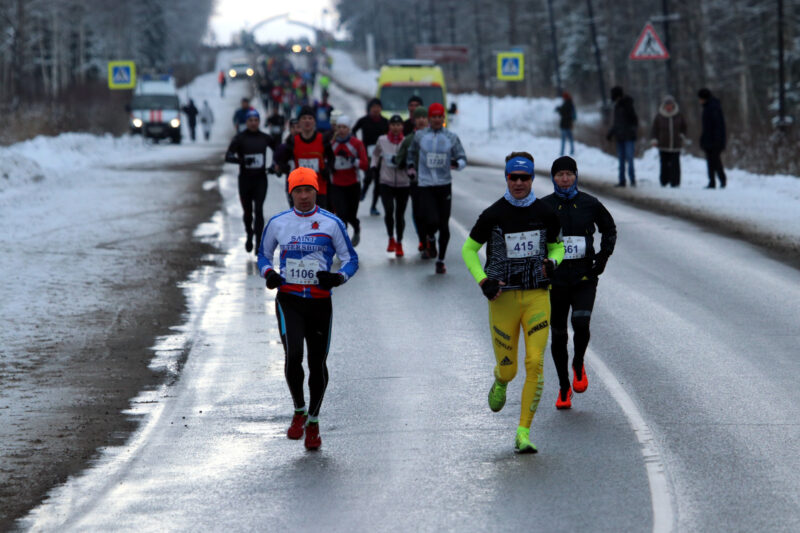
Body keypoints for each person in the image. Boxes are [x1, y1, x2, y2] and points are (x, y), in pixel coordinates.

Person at [461, 152, 565, 453]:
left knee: (535, 362)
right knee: (510, 370)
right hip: (502, 299)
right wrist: (483, 280)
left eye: (525, 178)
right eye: (513, 177)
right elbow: (468, 250)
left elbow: (557, 246)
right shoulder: (493, 214)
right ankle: (500, 379)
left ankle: (523, 432)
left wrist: (553, 262)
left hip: (536, 296)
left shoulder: (546, 212)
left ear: (532, 179)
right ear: (506, 178)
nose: (519, 183)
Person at [258, 167, 359, 451]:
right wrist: (269, 274)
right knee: (293, 357)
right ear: (290, 193)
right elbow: (263, 255)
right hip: (289, 300)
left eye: (309, 190)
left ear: (317, 191)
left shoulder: (331, 223)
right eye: (298, 191)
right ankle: (299, 410)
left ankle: (313, 421)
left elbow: (351, 259)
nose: (304, 196)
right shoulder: (278, 223)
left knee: (317, 363)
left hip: (319, 303)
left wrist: (339, 277)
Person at [541, 156, 616, 409]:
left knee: (581, 323)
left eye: (569, 174)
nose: (564, 179)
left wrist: (603, 257)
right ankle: (563, 387)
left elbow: (610, 228)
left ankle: (578, 363)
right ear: (553, 178)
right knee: (559, 334)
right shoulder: (545, 206)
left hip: (584, 276)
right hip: (556, 279)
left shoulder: (590, 203)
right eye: (559, 174)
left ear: (576, 176)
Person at [406, 102, 467, 274]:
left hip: (444, 184)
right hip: (425, 184)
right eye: (434, 116)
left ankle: (441, 260)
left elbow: (462, 157)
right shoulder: (419, 136)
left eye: (440, 116)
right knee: (430, 220)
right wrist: (411, 168)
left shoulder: (451, 137)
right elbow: (411, 153)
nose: (437, 120)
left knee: (444, 225)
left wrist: (457, 163)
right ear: (429, 118)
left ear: (443, 118)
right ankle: (430, 238)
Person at [225, 109, 277, 254]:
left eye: (256, 120)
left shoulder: (265, 138)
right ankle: (249, 233)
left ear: (259, 122)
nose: (253, 123)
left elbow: (278, 151)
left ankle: (259, 242)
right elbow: (228, 156)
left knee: (259, 210)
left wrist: (273, 165)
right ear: (246, 122)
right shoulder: (239, 138)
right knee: (248, 212)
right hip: (245, 181)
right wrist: (240, 160)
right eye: (250, 120)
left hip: (260, 179)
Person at [275, 106, 335, 210]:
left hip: (319, 187)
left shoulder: (323, 139)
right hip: (301, 189)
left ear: (314, 122)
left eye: (310, 118)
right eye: (304, 118)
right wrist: (285, 168)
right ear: (299, 122)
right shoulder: (293, 141)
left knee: (319, 221)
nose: (307, 121)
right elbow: (282, 161)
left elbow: (332, 158)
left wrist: (327, 170)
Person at [373, 115, 412, 257]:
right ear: (389, 126)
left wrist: (410, 169)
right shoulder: (382, 140)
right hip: (386, 182)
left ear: (402, 126)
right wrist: (373, 165)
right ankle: (391, 238)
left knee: (400, 214)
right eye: (393, 125)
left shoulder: (407, 141)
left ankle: (399, 242)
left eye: (398, 125)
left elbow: (412, 157)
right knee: (389, 210)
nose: (396, 127)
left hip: (403, 183)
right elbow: (376, 154)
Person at [329, 115, 368, 245]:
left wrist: (352, 160)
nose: (341, 130)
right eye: (339, 127)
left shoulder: (356, 144)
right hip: (337, 185)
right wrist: (330, 166)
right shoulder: (332, 144)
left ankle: (356, 228)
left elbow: (365, 164)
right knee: (341, 215)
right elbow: (326, 161)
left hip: (353, 184)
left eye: (344, 127)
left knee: (351, 214)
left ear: (349, 129)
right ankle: (343, 244)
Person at [396, 106, 429, 255]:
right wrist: (404, 164)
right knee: (418, 213)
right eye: (418, 117)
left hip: (434, 183)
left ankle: (431, 237)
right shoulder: (409, 139)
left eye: (424, 117)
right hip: (416, 183)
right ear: (414, 120)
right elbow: (399, 159)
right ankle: (423, 239)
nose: (421, 120)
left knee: (432, 214)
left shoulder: (436, 138)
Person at [353, 98, 389, 216]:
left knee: (378, 180)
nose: (376, 109)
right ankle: (363, 191)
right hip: (366, 153)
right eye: (373, 107)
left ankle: (373, 206)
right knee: (369, 175)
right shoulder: (364, 120)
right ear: (369, 109)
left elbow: (391, 135)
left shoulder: (385, 122)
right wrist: (358, 145)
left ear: (381, 108)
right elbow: (353, 131)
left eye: (378, 107)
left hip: (380, 154)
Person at [650, 95, 687, 188]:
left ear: (673, 105)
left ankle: (675, 182)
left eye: (670, 104)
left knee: (675, 164)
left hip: (675, 144)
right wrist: (654, 139)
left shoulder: (679, 115)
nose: (669, 106)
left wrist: (682, 135)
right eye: (667, 105)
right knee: (664, 164)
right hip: (663, 144)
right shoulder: (659, 116)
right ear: (664, 105)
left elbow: (684, 127)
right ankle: (664, 181)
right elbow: (654, 129)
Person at [606, 86, 638, 187]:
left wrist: (632, 131)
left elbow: (634, 120)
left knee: (629, 159)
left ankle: (632, 180)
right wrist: (611, 133)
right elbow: (617, 123)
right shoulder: (617, 106)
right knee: (621, 160)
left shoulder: (627, 105)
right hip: (620, 137)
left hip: (628, 137)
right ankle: (622, 180)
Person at [698, 88, 727, 189]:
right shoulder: (709, 107)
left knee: (715, 161)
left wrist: (717, 140)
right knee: (711, 161)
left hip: (714, 140)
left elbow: (717, 126)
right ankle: (712, 182)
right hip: (710, 139)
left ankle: (721, 180)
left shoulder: (712, 107)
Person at [556, 92, 576, 156]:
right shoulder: (571, 104)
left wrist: (559, 109)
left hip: (564, 124)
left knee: (563, 140)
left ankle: (562, 153)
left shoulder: (565, 104)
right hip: (569, 124)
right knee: (571, 139)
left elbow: (563, 113)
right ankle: (572, 152)